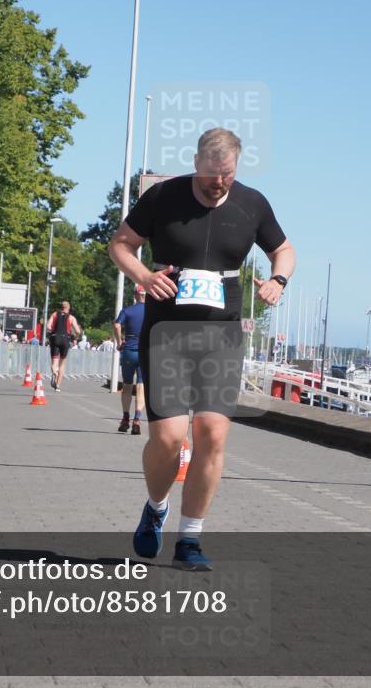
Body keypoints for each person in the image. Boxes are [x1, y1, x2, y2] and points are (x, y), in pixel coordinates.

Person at [108, 127, 295, 571]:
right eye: (212, 175)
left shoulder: (252, 203)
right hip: (168, 333)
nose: (219, 184)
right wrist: (143, 276)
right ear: (196, 163)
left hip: (221, 336)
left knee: (212, 434)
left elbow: (284, 249)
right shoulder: (163, 198)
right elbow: (121, 243)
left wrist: (278, 281)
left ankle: (189, 540)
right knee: (169, 440)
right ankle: (156, 507)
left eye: (227, 175)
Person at [114, 285, 147, 436]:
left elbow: (116, 324)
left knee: (127, 385)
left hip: (129, 350)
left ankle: (125, 418)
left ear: (135, 295)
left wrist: (119, 341)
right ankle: (137, 419)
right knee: (141, 386)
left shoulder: (127, 310)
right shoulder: (151, 312)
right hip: (145, 352)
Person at [45, 300, 82, 391]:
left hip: (55, 337)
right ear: (68, 308)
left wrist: (54, 329)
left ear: (60, 307)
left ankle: (54, 372)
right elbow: (78, 331)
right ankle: (57, 385)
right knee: (62, 364)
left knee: (54, 361)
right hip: (65, 339)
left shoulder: (54, 314)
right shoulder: (71, 317)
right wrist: (75, 337)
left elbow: (48, 326)